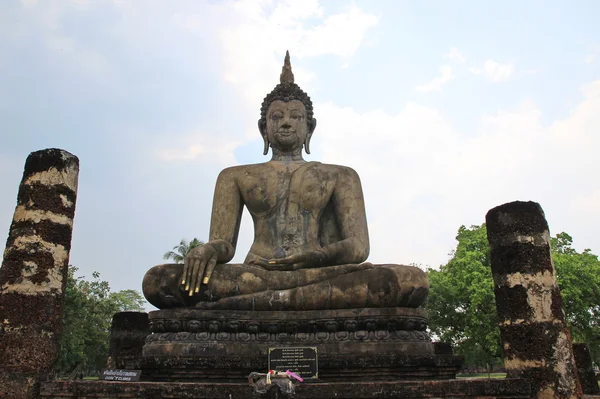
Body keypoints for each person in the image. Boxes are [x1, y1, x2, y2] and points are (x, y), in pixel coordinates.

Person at [143, 52, 428, 311]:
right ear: (263, 128)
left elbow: (358, 247)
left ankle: (252, 304)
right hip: (257, 273)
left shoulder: (341, 175)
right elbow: (225, 245)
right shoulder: (234, 176)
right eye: (276, 117)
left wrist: (314, 258)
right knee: (159, 281)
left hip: (320, 272)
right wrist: (208, 250)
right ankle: (282, 298)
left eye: (295, 116)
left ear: (309, 127)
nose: (286, 123)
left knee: (408, 280)